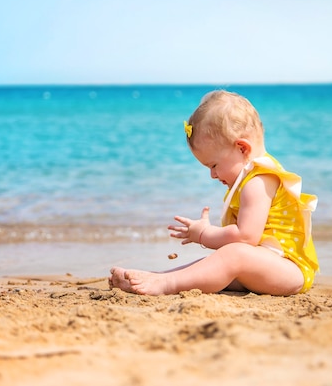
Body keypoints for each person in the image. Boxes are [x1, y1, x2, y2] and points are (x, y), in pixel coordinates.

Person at [109, 90, 319, 296]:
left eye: (214, 165)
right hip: (264, 265)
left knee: (233, 254)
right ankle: (158, 276)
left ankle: (167, 282)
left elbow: (246, 238)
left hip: (290, 269)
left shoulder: (258, 181)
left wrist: (204, 234)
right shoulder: (249, 177)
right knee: (212, 264)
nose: (212, 175)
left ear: (242, 149)